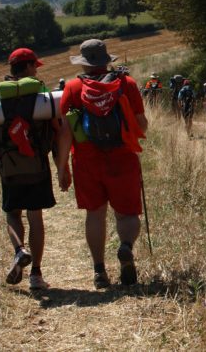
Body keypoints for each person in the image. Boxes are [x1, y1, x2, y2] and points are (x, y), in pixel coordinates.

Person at [56, 39, 148, 289]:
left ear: (84, 63)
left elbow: (65, 132)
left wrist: (62, 167)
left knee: (95, 214)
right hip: (123, 156)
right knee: (127, 213)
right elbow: (141, 124)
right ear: (107, 60)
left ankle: (99, 271)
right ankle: (126, 247)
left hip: (87, 160)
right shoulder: (126, 84)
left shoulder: (73, 89)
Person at [0, 48, 57, 290]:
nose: (36, 70)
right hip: (37, 164)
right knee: (36, 217)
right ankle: (36, 274)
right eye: (35, 66)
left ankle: (19, 250)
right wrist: (61, 164)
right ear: (28, 66)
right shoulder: (40, 91)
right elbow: (55, 125)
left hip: (9, 166)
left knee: (13, 213)